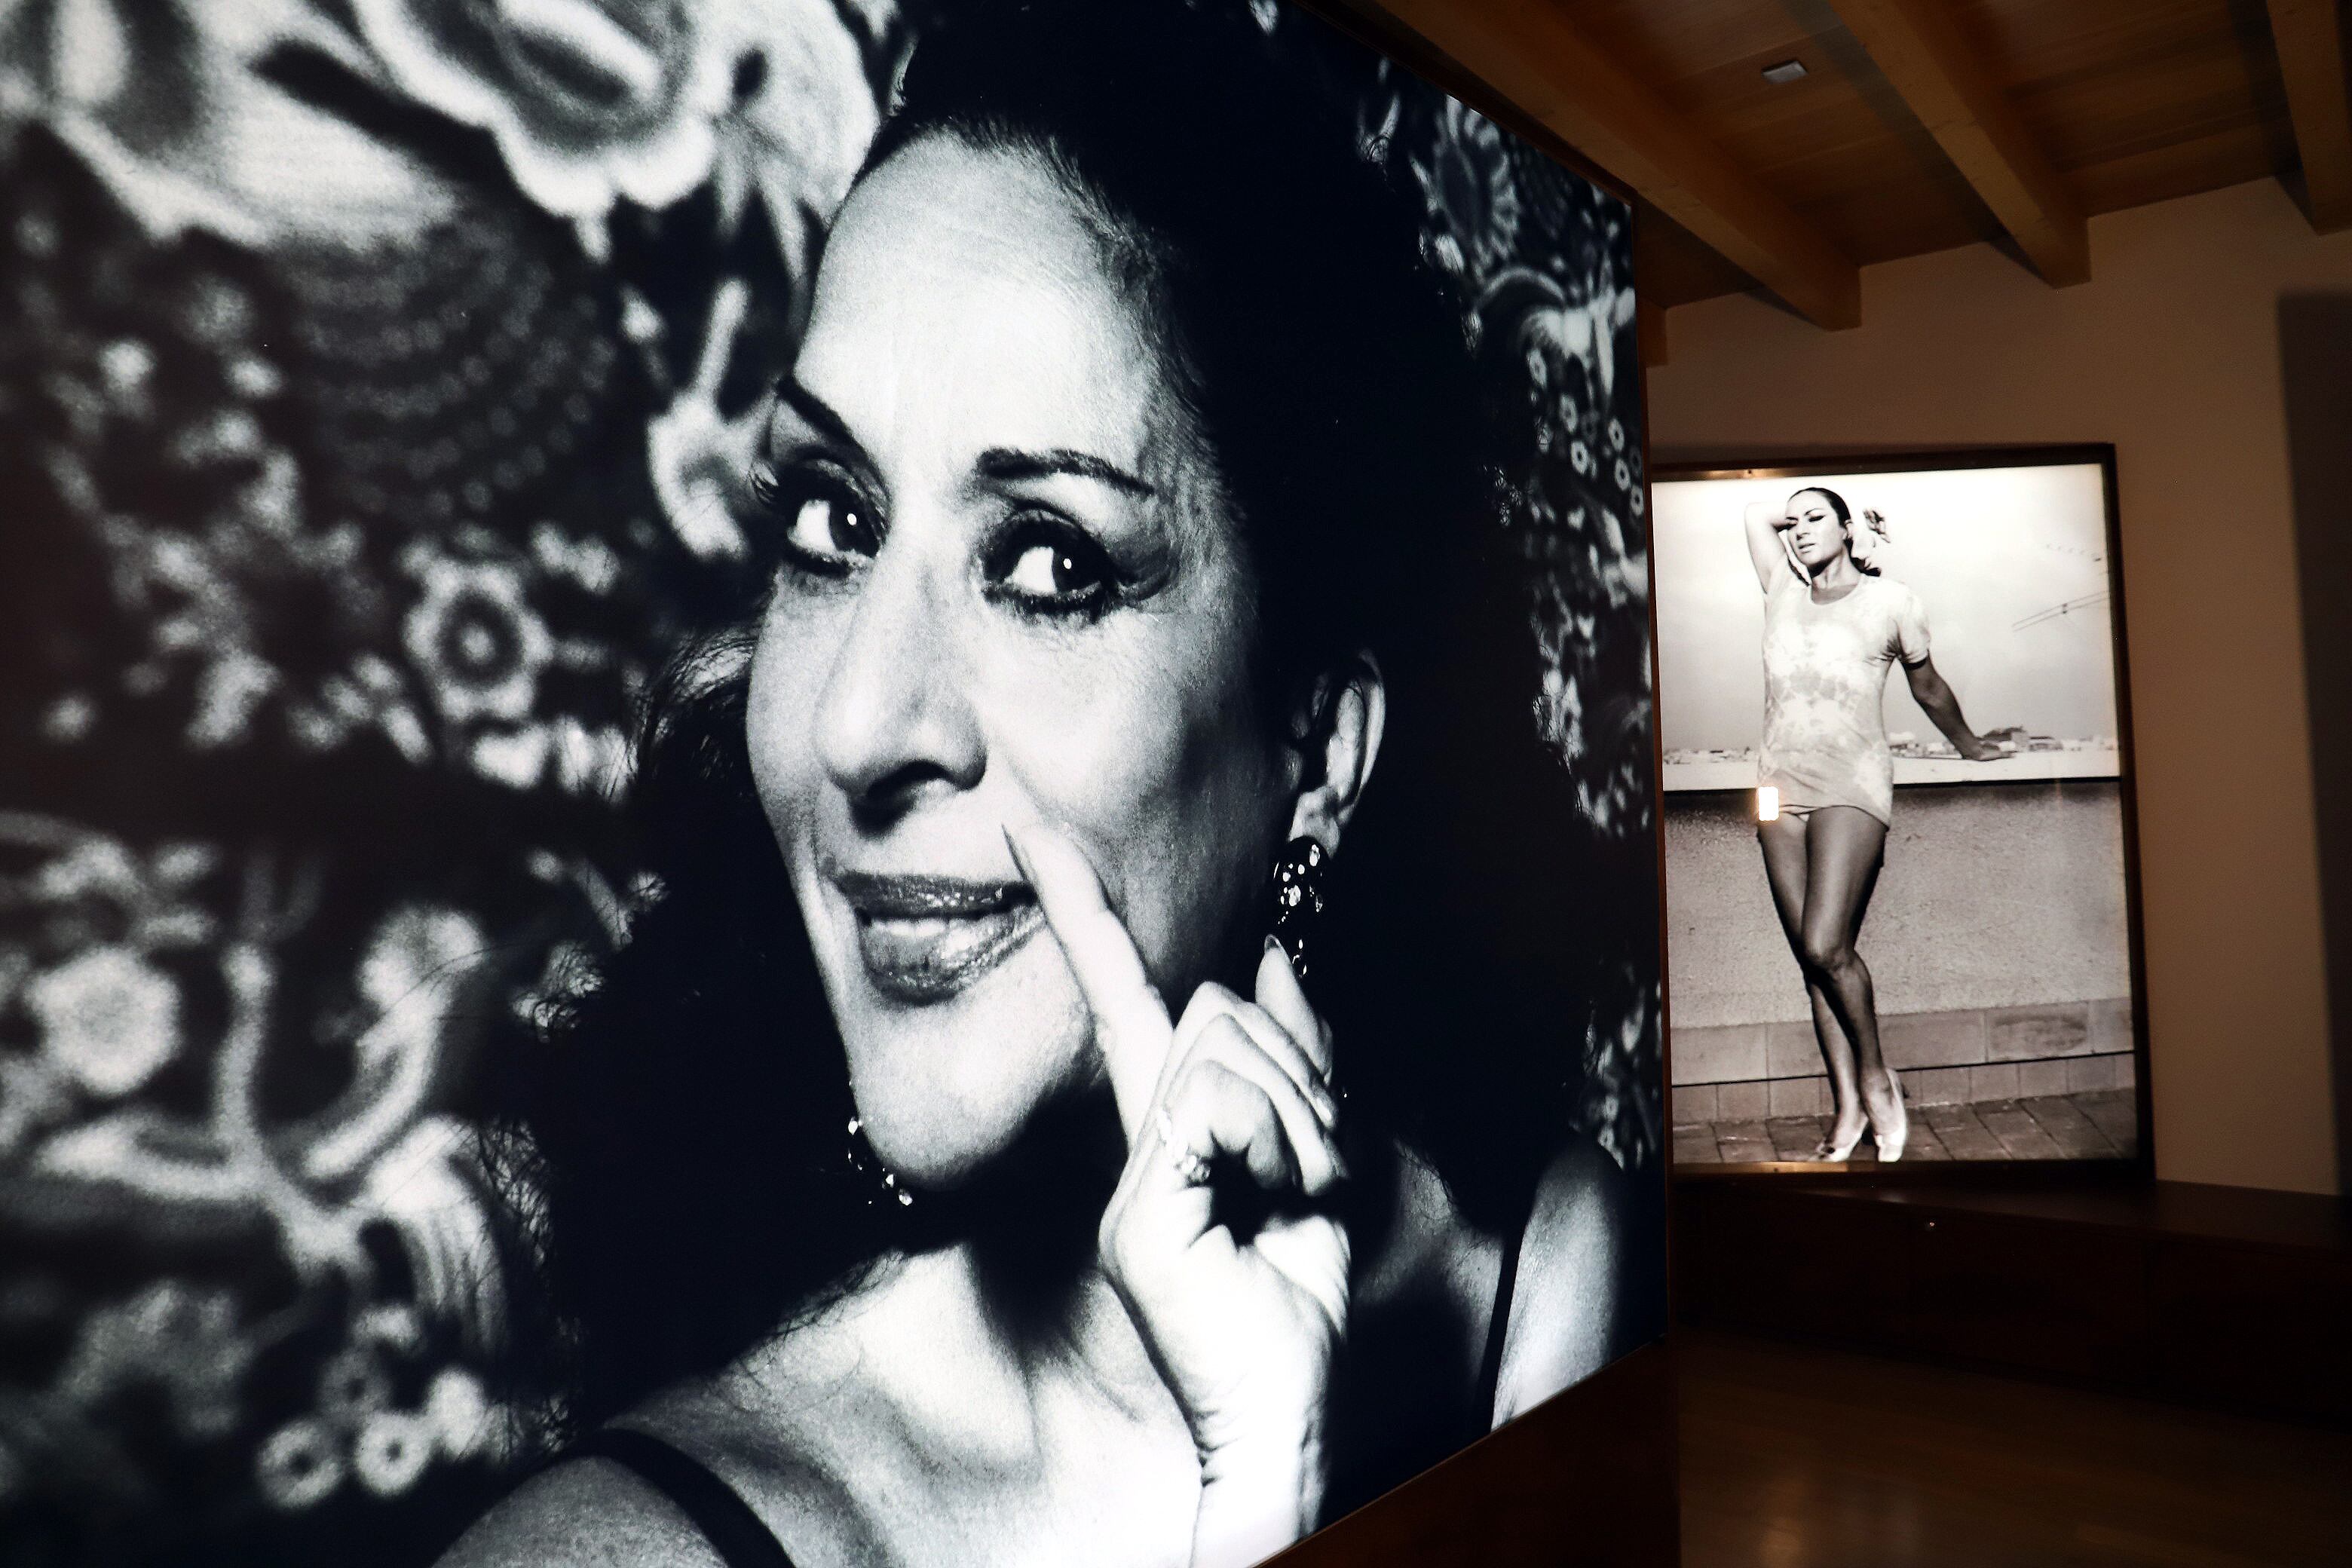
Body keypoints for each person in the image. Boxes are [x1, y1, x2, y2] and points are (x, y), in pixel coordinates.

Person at [445, 4, 1656, 1564]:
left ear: (1317, 752)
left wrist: (1272, 1448)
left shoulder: (1540, 1286)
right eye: (830, 519)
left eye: (1045, 560)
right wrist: (1257, 1498)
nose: (857, 725)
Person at [1741, 486, 2004, 1163]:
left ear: (1849, 527)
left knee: (1827, 945)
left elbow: (1928, 687)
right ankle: (1849, 1107)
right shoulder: (1780, 588)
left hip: (1849, 788)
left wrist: (1969, 745)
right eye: (1793, 523)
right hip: (1773, 792)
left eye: (1815, 519)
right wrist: (1811, 511)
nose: (1798, 531)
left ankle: (1876, 1080)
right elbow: (1753, 515)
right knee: (1810, 961)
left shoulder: (1891, 603)